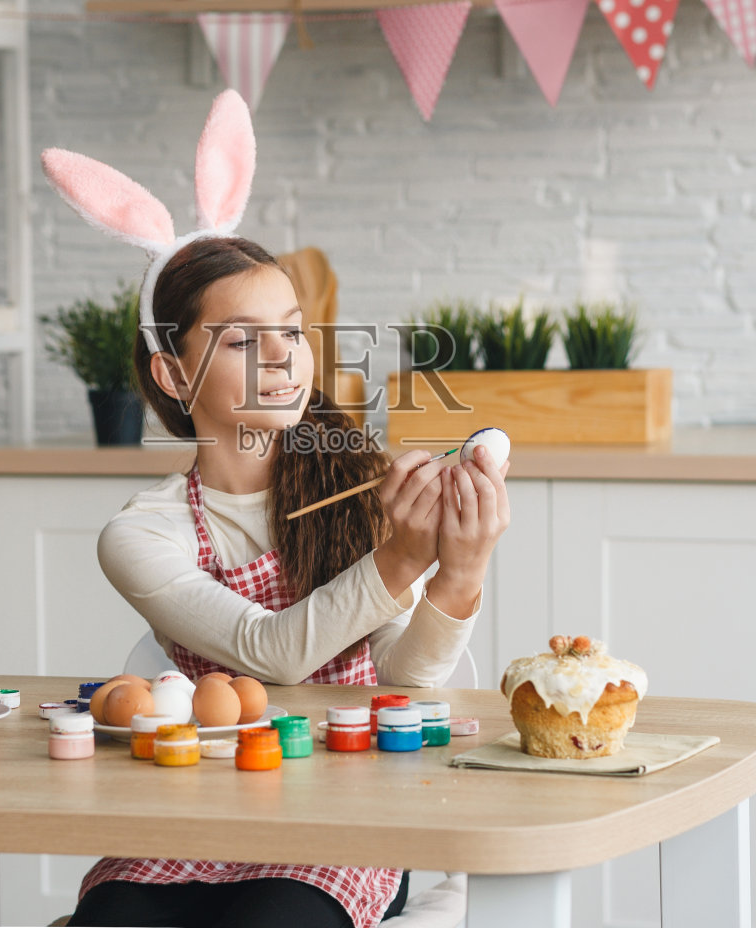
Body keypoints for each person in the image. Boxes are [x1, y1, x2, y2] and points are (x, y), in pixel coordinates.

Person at [40, 90, 511, 928]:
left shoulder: (357, 489)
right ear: (174, 377)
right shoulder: (143, 533)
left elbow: (402, 682)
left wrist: (460, 576)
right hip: (188, 816)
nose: (285, 360)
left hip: (345, 821)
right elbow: (272, 654)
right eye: (245, 341)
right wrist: (401, 560)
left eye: (292, 332)